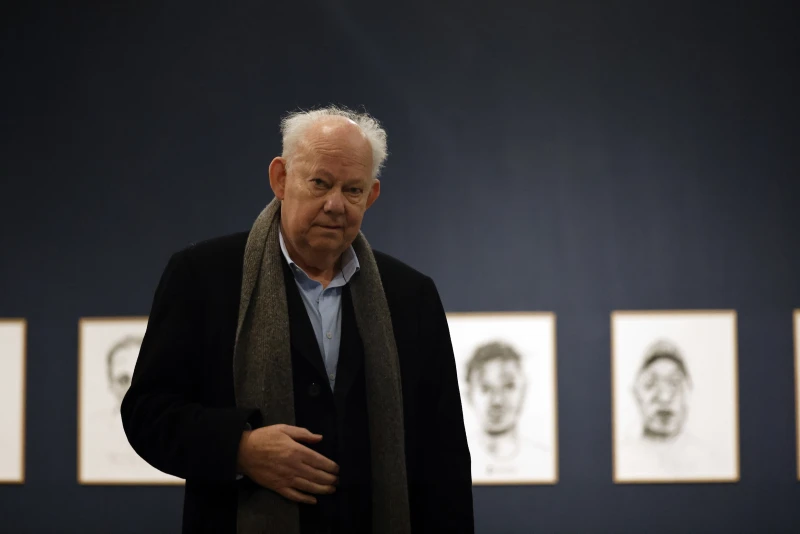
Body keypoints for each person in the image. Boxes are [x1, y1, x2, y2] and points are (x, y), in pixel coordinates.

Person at [121, 106, 474, 534]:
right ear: (281, 179)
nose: (335, 205)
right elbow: (148, 414)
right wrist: (240, 448)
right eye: (320, 183)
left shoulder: (412, 296)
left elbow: (444, 456)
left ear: (372, 196)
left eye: (353, 189)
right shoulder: (202, 276)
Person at [464, 341, 550, 480]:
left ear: (524, 390)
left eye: (509, 386)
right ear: (468, 394)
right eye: (485, 388)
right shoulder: (450, 462)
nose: (497, 401)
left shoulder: (545, 461)